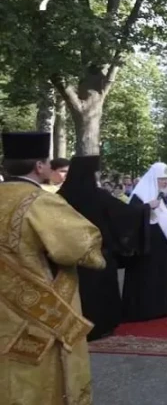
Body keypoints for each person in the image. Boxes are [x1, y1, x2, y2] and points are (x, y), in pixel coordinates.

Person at [0, 132, 106, 405]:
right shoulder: (39, 201)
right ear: (39, 166)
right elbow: (80, 247)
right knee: (38, 376)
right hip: (35, 313)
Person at [58, 155, 147, 341]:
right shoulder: (99, 195)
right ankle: (102, 326)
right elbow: (125, 213)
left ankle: (75, 327)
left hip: (71, 255)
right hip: (100, 254)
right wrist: (145, 209)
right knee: (101, 293)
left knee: (78, 293)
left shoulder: (60, 196)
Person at [122, 162, 167, 321]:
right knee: (147, 276)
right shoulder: (140, 195)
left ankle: (164, 305)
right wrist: (147, 207)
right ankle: (147, 309)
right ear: (154, 179)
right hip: (147, 245)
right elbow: (129, 216)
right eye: (162, 179)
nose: (165, 182)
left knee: (162, 274)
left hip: (164, 245)